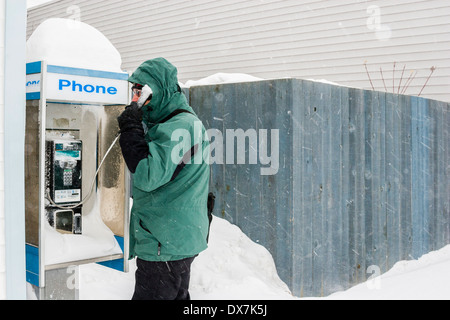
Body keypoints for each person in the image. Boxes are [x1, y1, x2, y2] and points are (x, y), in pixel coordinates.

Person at [117, 57, 210, 300]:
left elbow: (147, 175)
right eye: (134, 91)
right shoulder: (175, 123)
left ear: (155, 90)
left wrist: (131, 130)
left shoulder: (180, 126)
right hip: (173, 239)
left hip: (164, 243)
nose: (136, 98)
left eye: (140, 91)